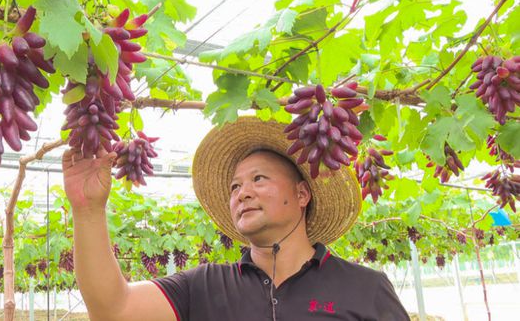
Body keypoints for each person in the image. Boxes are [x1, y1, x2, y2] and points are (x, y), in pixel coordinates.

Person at [62, 116, 410, 321]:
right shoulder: (204, 286)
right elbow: (113, 309)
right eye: (234, 186)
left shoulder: (367, 289)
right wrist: (87, 209)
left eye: (259, 179)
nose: (242, 193)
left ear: (302, 194)